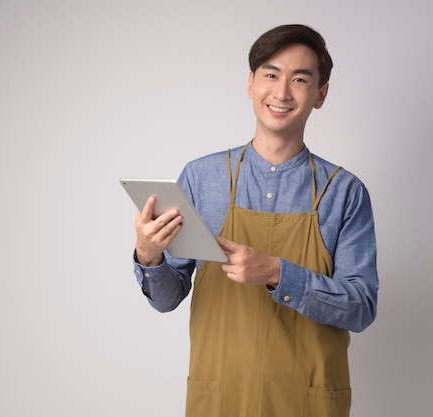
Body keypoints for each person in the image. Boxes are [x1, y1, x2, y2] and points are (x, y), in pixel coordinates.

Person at [131, 24, 379, 417]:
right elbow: (167, 299)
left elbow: (361, 308)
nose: (281, 92)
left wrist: (278, 272)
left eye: (299, 79)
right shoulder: (201, 177)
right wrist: (149, 257)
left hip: (307, 402)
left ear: (321, 94)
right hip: (221, 397)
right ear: (251, 84)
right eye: (270, 74)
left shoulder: (344, 192)